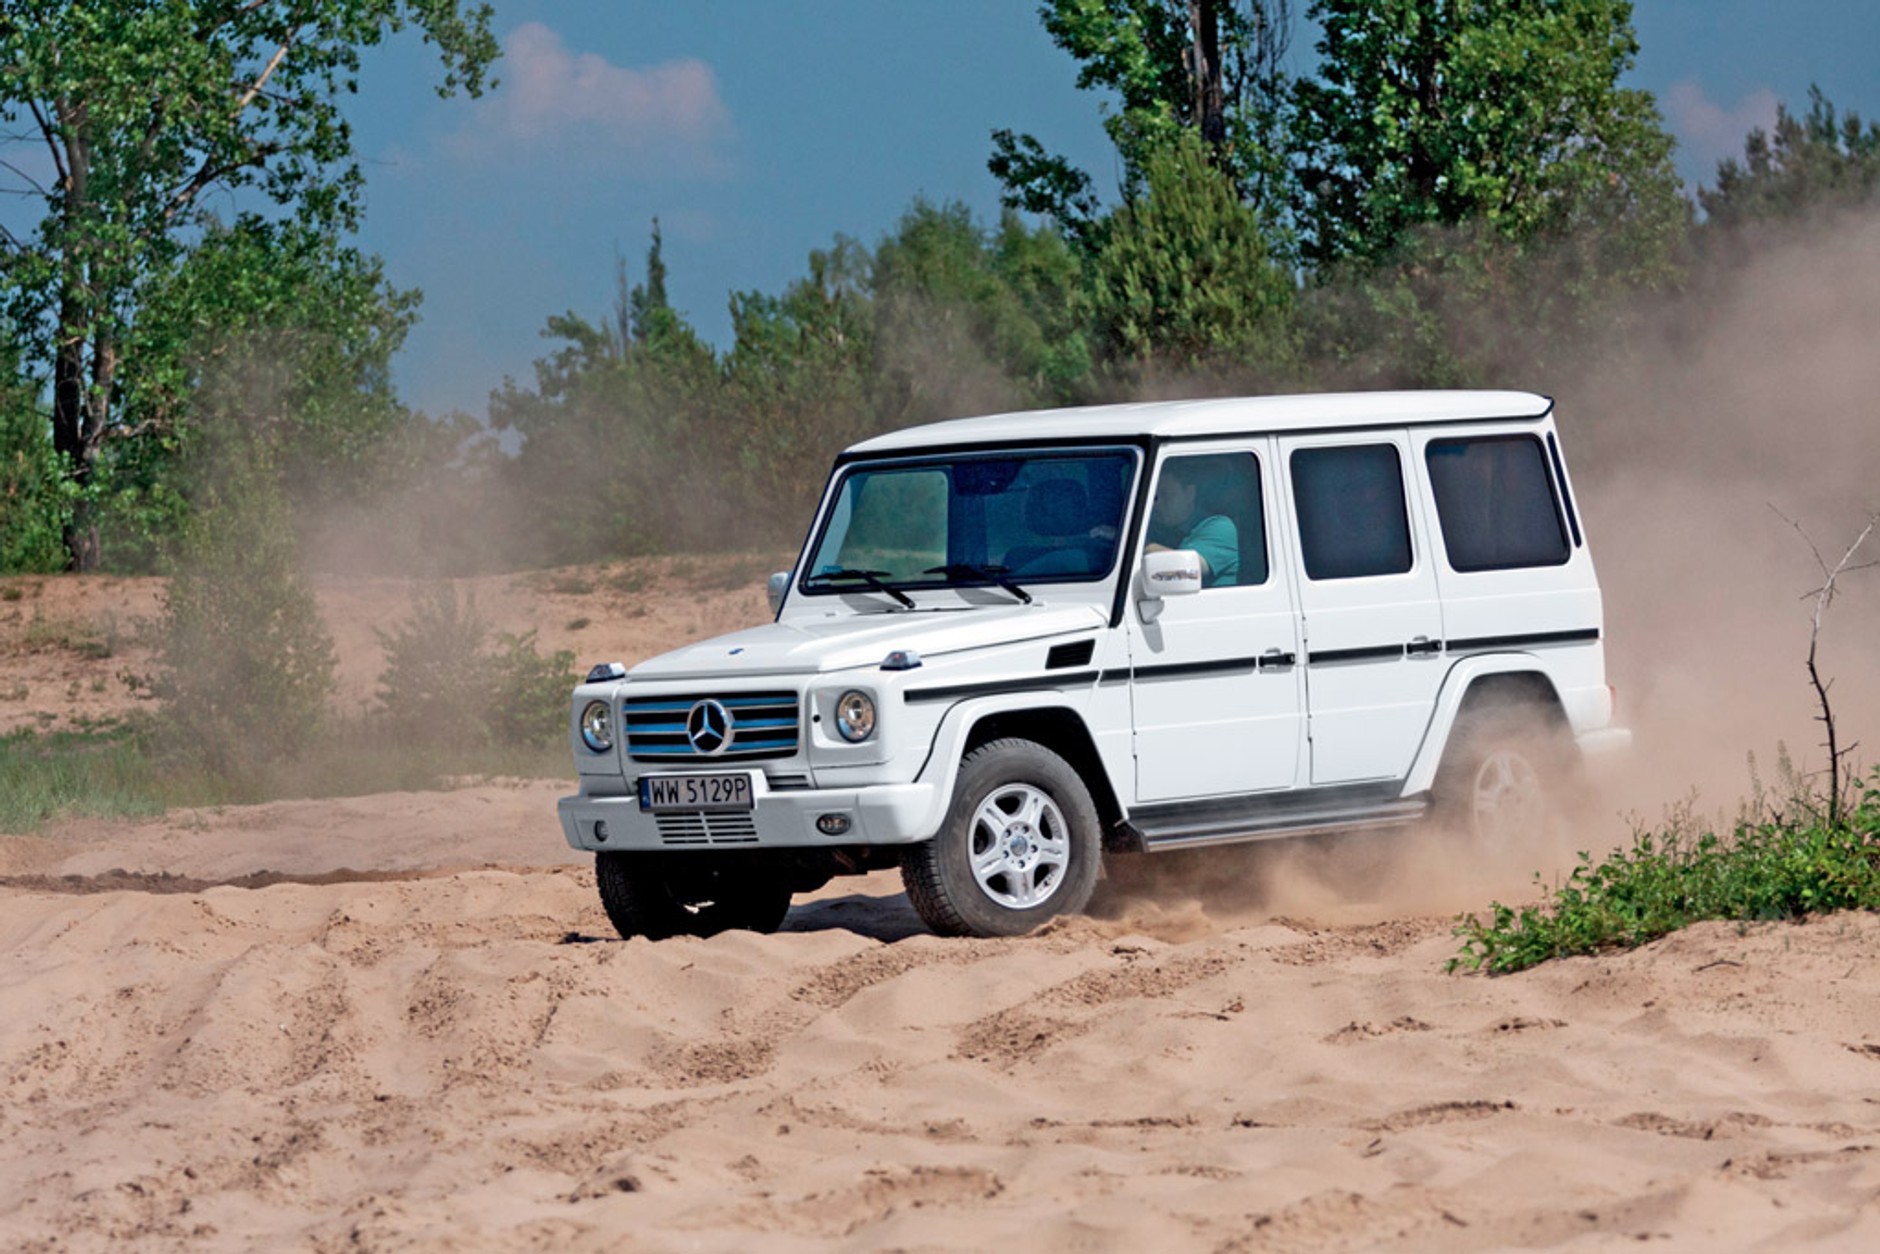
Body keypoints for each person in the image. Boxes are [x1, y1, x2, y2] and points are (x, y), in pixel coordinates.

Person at [1145, 463, 1238, 586]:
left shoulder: (1220, 527)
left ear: (1190, 493)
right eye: (1154, 497)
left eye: (1165, 495)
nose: (1156, 504)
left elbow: (1187, 572)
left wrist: (1141, 548)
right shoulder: (1156, 528)